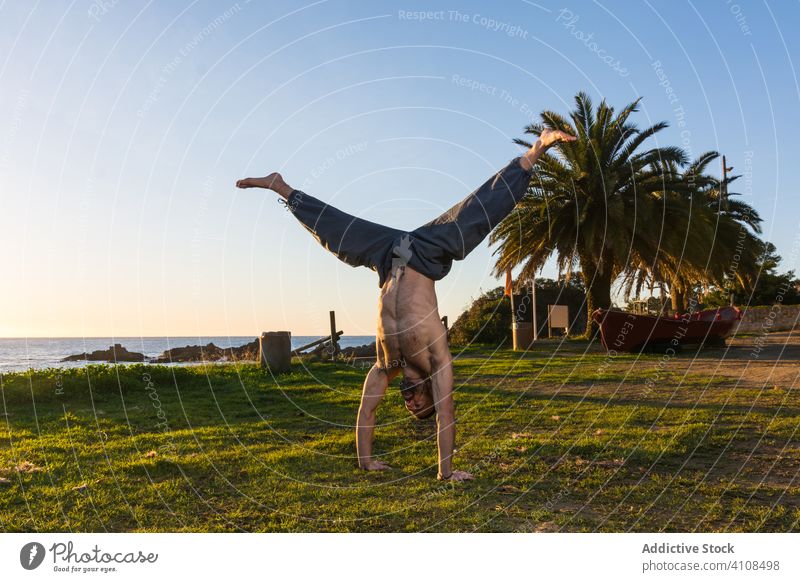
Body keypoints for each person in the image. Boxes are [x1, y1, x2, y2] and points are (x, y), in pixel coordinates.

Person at [236, 129, 575, 481]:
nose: (411, 404)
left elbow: (367, 412)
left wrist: (365, 461)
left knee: (339, 235)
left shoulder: (385, 365)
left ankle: (282, 187)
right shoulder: (437, 360)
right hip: (428, 250)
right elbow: (448, 414)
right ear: (430, 393)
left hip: (385, 255)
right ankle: (537, 148)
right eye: (419, 405)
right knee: (477, 213)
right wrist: (446, 471)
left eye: (409, 407)